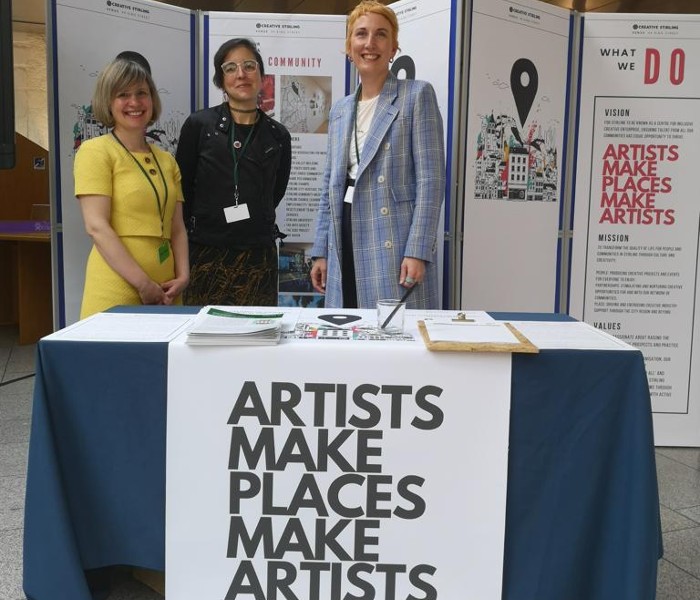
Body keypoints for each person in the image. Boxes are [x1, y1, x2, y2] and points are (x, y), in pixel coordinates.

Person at [310, 0, 445, 309]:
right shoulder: (341, 110)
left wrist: (418, 249)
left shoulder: (416, 95)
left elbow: (431, 181)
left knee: (395, 338)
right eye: (361, 34)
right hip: (344, 233)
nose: (370, 44)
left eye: (381, 34)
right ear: (348, 46)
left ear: (394, 46)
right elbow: (329, 185)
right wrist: (321, 250)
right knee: (350, 330)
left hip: (394, 241)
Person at [176, 38, 292, 306]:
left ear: (262, 76)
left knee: (256, 338)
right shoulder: (199, 125)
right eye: (230, 68)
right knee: (205, 339)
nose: (241, 74)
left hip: (257, 256)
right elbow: (182, 191)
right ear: (220, 80)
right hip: (206, 253)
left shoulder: (278, 135)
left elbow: (276, 192)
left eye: (249, 66)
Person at [74, 57, 189, 319]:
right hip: (117, 288)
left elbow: (177, 227)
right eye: (123, 95)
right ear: (108, 102)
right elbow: (96, 227)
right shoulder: (95, 152)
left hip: (168, 293)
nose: (134, 102)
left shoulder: (167, 160)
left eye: (142, 93)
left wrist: (183, 275)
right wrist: (143, 284)